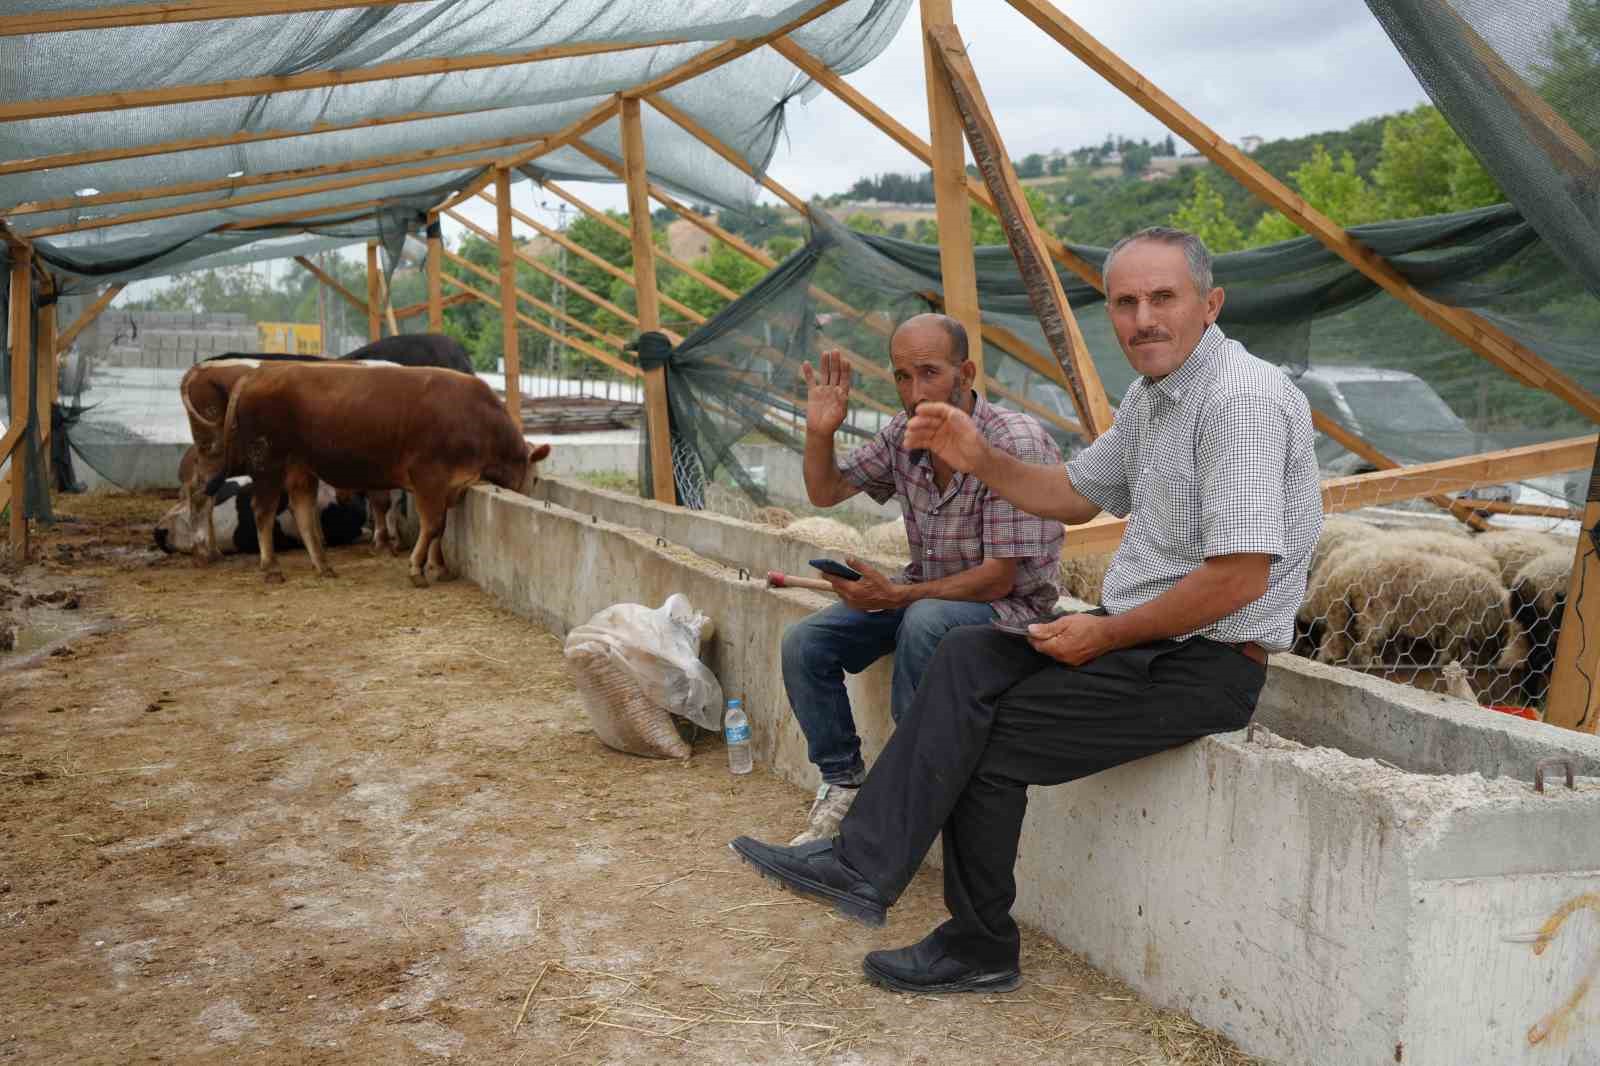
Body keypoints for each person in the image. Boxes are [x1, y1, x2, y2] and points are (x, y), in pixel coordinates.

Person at [731, 226, 1323, 995]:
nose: (1143, 318)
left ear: (1209, 304)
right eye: (1125, 302)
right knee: (967, 656)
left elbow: (1239, 579)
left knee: (985, 733)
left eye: (1163, 298)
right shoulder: (1156, 398)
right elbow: (1071, 494)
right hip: (1143, 643)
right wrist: (979, 458)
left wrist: (1105, 630)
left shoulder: (1238, 401)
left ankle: (977, 944)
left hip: (1201, 663)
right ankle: (858, 865)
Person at [779, 312, 1064, 845]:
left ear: (967, 373)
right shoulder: (903, 434)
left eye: (929, 373)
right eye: (903, 377)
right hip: (926, 595)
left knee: (925, 621)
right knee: (806, 644)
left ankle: (909, 800)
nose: (915, 392)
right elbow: (827, 492)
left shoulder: (1012, 441)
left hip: (1011, 613)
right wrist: (820, 432)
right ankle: (842, 782)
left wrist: (899, 595)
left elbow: (998, 581)